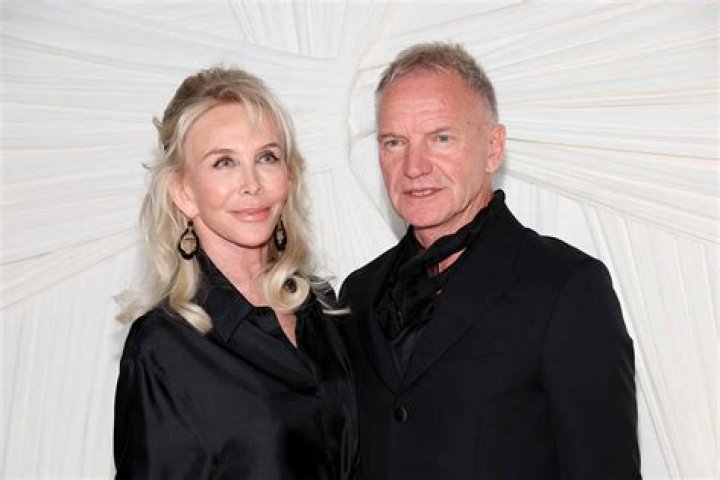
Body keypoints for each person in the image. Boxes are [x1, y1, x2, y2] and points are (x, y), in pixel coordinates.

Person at [339, 42, 640, 479]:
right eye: (394, 142)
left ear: (493, 148)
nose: (414, 166)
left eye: (441, 138)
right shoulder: (359, 294)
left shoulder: (565, 287)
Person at [113, 66, 358, 479]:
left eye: (267, 157)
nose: (252, 183)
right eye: (224, 162)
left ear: (288, 175)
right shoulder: (162, 347)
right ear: (184, 192)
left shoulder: (321, 306)